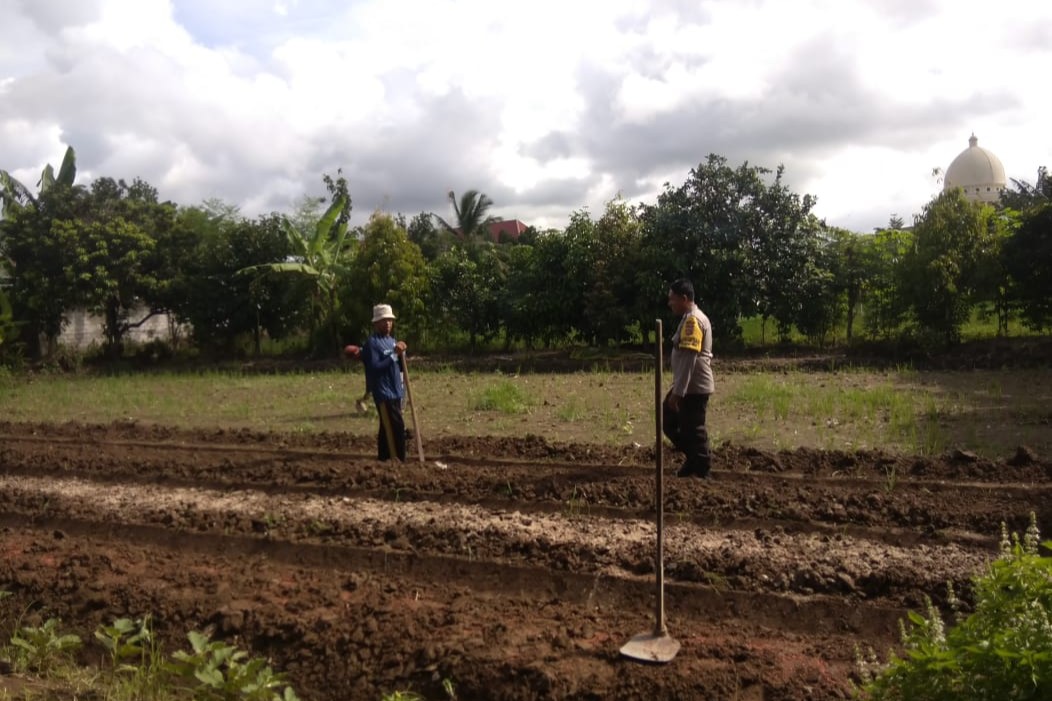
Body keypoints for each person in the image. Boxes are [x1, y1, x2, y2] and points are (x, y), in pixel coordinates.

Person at [663, 278, 715, 479]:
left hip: (693, 387)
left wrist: (678, 393)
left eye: (672, 299)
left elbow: (689, 360)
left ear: (684, 298)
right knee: (669, 421)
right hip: (688, 385)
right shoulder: (689, 318)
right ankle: (694, 460)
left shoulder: (693, 320)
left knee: (694, 429)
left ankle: (702, 467)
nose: (670, 303)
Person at [358, 303, 408, 462]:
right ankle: (399, 459)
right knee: (396, 427)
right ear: (375, 324)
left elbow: (398, 366)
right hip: (384, 392)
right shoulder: (372, 344)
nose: (387, 323)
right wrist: (394, 355)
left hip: (395, 391)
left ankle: (383, 459)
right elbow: (374, 367)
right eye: (383, 320)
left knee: (387, 427)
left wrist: (401, 355)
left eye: (389, 320)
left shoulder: (392, 341)